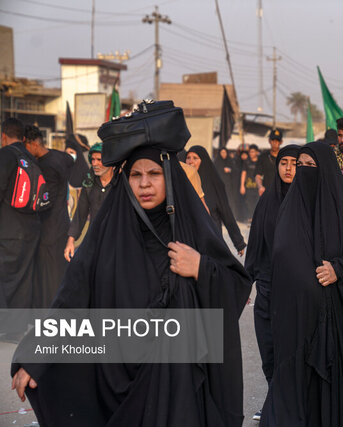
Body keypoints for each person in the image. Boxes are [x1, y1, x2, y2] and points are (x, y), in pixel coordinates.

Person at [11, 106, 252, 426]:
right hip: (114, 376)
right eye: (136, 175)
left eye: (153, 174)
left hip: (176, 382)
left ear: (168, 177)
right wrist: (35, 355)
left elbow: (236, 284)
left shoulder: (191, 227)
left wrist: (200, 267)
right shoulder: (108, 229)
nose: (145, 184)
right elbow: (72, 296)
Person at [261, 141, 343, 426]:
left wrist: (339, 270)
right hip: (297, 325)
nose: (303, 171)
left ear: (325, 170)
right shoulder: (288, 213)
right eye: (299, 166)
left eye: (310, 166)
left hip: (335, 326)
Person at [244, 144, 300, 421]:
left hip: (297, 290)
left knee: (290, 350)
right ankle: (274, 399)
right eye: (283, 163)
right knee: (268, 350)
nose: (288, 168)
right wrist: (246, 282)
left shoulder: (309, 202)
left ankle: (280, 406)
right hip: (267, 286)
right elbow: (254, 246)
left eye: (294, 163)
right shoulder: (267, 201)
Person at [23, 125, 73, 308]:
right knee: (57, 271)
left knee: (50, 275)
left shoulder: (46, 166)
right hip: (62, 224)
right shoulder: (60, 156)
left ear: (34, 143)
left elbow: (45, 201)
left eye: (25, 146)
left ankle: (51, 313)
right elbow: (71, 162)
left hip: (49, 228)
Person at [0, 118, 40, 308]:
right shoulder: (30, 157)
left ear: (3, 136)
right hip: (31, 229)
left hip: (8, 231)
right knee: (24, 279)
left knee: (4, 278)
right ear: (24, 138)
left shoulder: (5, 155)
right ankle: (16, 329)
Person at [186, 146, 246, 255]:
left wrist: (238, 242)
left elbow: (226, 213)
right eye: (188, 158)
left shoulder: (214, 184)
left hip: (211, 240)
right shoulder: (183, 183)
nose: (191, 162)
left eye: (195, 158)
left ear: (203, 161)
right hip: (189, 241)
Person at [64, 143, 115, 262]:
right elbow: (80, 214)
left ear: (111, 161)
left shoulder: (121, 184)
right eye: (92, 159)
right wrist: (70, 241)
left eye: (99, 160)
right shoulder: (89, 183)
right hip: (94, 241)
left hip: (116, 241)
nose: (95, 163)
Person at [256, 129, 282, 196]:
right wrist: (260, 187)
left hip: (282, 192)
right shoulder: (263, 156)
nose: (275, 143)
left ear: (281, 142)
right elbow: (258, 175)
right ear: (269, 141)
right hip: (267, 192)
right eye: (273, 140)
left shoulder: (284, 157)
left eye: (277, 141)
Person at [215, 147, 238, 216]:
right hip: (219, 185)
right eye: (222, 152)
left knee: (229, 200)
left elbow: (235, 171)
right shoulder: (217, 161)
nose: (224, 154)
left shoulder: (230, 161)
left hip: (229, 185)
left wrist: (229, 170)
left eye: (225, 152)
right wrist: (222, 170)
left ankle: (231, 215)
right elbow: (214, 171)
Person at [240, 144, 260, 220]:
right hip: (249, 185)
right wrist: (242, 186)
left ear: (257, 152)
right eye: (250, 152)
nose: (251, 153)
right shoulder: (246, 162)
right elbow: (243, 173)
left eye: (253, 152)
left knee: (257, 202)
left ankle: (257, 218)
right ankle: (250, 218)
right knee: (249, 203)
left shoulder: (260, 161)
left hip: (258, 186)